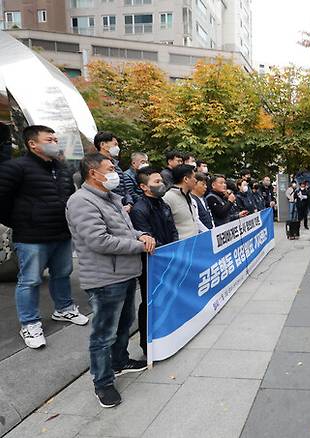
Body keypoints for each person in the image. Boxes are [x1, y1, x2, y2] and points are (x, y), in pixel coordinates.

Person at [66, 153, 154, 408]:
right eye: (110, 167)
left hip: (125, 272)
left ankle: (119, 361)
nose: (115, 171)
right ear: (93, 173)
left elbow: (124, 231)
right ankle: (102, 382)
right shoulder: (81, 201)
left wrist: (142, 234)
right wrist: (138, 245)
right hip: (104, 278)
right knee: (103, 334)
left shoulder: (111, 199)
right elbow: (99, 240)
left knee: (125, 323)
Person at [0, 125, 88, 349]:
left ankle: (64, 309)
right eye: (50, 139)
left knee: (62, 274)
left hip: (61, 233)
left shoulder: (62, 168)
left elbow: (69, 198)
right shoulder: (16, 168)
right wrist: (21, 221)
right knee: (29, 280)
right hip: (31, 237)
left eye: (56, 139)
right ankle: (29, 323)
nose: (55, 143)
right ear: (33, 144)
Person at [129, 167, 178, 356]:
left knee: (168, 298)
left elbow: (172, 229)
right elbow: (148, 238)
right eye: (156, 182)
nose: (162, 185)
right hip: (151, 264)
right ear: (143, 186)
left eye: (161, 181)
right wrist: (164, 250)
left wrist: (174, 248)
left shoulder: (163, 204)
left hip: (169, 259)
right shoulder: (139, 210)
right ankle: (147, 344)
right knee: (150, 302)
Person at [163, 165, 206, 239]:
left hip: (195, 242)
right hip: (181, 245)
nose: (196, 180)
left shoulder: (188, 195)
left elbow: (195, 219)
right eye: (194, 177)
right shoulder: (168, 198)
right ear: (186, 179)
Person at [94, 131, 133, 210]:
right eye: (115, 144)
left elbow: (125, 188)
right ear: (102, 145)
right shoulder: (95, 165)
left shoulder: (117, 166)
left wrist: (129, 203)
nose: (117, 148)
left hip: (123, 208)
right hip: (109, 209)